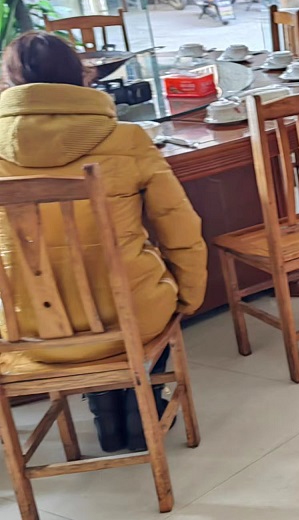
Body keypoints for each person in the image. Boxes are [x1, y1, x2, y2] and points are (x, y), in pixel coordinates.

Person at [0, 32, 207, 453]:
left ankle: (106, 416)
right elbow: (179, 224)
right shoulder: (126, 139)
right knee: (148, 296)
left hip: (29, 329)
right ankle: (141, 408)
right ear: (81, 76)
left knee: (84, 304)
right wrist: (189, 296)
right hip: (131, 319)